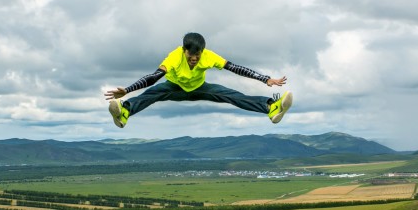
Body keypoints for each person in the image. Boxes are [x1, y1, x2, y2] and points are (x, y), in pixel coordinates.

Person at [104, 32, 293, 128]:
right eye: (190, 56)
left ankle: (271, 108)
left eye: (197, 55)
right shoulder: (174, 56)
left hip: (200, 88)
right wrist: (128, 90)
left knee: (230, 94)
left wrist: (265, 79)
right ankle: (124, 112)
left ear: (202, 51)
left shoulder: (208, 56)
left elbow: (235, 68)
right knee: (153, 92)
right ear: (184, 50)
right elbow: (154, 77)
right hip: (174, 87)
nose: (194, 59)